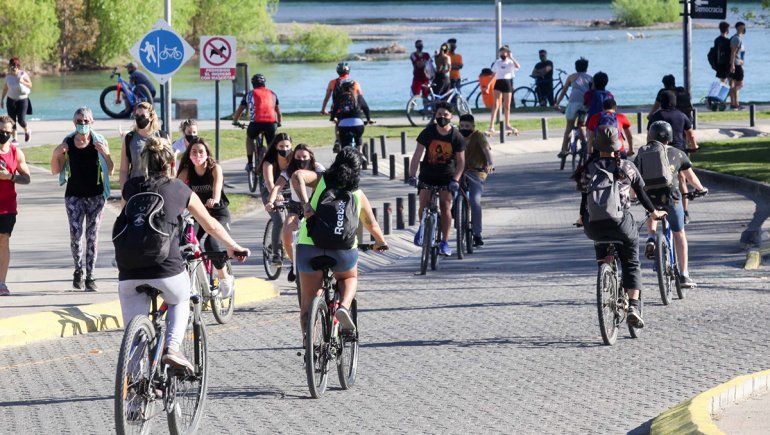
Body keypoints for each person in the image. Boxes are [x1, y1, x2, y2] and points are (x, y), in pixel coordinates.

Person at [117, 137, 248, 369]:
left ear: (145, 163)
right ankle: (173, 348)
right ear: (171, 165)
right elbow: (211, 225)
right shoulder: (178, 188)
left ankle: (134, 392)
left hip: (128, 270)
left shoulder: (131, 187)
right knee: (180, 298)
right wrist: (233, 246)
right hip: (165, 267)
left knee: (134, 341)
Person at [577, 126, 667, 328]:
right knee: (631, 261)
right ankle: (634, 305)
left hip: (594, 225)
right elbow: (642, 194)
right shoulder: (627, 167)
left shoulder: (588, 169)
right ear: (618, 146)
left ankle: (606, 271)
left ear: (595, 145)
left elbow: (585, 199)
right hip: (620, 223)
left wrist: (582, 218)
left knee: (602, 245)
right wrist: (654, 213)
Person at [290, 148, 387, 335]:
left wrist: (305, 205)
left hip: (309, 246)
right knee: (349, 277)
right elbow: (371, 224)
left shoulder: (321, 180)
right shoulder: (357, 193)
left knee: (307, 305)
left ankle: (310, 349)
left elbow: (297, 176)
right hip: (343, 250)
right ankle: (343, 306)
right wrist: (381, 242)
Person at [635, 121, 708, 289]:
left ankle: (651, 237)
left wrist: (633, 196)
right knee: (679, 233)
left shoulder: (642, 154)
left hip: (650, 197)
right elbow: (691, 177)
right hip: (671, 198)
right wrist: (701, 189)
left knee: (651, 210)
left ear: (651, 136)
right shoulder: (678, 153)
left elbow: (636, 178)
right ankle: (684, 275)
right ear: (669, 137)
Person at [50, 107, 113, 292]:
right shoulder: (68, 142)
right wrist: (56, 154)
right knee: (76, 236)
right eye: (79, 121)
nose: (83, 124)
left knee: (92, 237)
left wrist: (106, 154)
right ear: (74, 122)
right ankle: (78, 270)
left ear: (92, 122)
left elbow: (110, 170)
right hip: (74, 196)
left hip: (96, 196)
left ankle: (91, 276)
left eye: (86, 121)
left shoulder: (99, 141)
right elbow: (56, 169)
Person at [176, 138, 235, 296]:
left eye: (201, 151)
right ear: (189, 155)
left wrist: (214, 200)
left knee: (211, 242)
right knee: (185, 241)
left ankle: (224, 277)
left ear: (207, 154)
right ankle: (192, 277)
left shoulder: (214, 168)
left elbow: (217, 187)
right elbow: (176, 188)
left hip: (218, 213)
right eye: (193, 152)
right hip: (198, 214)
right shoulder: (187, 170)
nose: (197, 155)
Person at [408, 102, 466, 257]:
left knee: (445, 205)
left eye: (445, 114)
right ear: (435, 115)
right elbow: (417, 155)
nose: (442, 117)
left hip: (447, 177)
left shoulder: (456, 137)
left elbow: (461, 162)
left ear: (451, 116)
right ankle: (423, 228)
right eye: (439, 114)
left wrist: (455, 180)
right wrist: (412, 175)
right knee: (423, 202)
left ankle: (444, 242)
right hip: (428, 174)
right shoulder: (428, 132)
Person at [266, 144, 325, 280]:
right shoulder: (289, 170)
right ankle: (295, 264)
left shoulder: (318, 168)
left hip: (314, 204)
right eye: (298, 157)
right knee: (286, 234)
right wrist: (270, 201)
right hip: (295, 206)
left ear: (310, 156)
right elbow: (277, 187)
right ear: (294, 157)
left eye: (305, 156)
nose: (302, 159)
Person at [0, 115, 30, 296]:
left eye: (6, 132)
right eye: (0, 131)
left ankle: (1, 283)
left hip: (7, 206)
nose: (3, 134)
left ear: (12, 133)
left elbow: (26, 178)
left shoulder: (15, 153)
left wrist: (9, 176)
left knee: (3, 241)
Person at [232, 74, 282, 171]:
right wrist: (279, 122)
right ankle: (273, 166)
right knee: (271, 146)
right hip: (271, 124)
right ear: (264, 83)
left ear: (253, 84)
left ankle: (250, 163)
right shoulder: (272, 94)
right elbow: (278, 112)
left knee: (250, 139)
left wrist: (235, 121)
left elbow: (240, 110)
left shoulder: (249, 94)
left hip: (256, 124)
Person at [458, 114, 493, 247]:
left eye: (467, 126)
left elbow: (487, 151)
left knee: (475, 201)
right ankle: (456, 211)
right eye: (462, 126)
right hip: (459, 171)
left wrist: (490, 164)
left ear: (473, 127)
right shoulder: (456, 136)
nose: (464, 128)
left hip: (476, 172)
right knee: (449, 194)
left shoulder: (478, 136)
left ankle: (477, 234)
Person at [258, 133, 293, 265]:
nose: (285, 149)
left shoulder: (294, 159)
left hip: (290, 190)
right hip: (270, 190)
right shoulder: (269, 162)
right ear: (276, 147)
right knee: (279, 219)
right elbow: (269, 182)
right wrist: (275, 195)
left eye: (287, 146)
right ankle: (276, 254)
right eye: (281, 146)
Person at [119, 102, 168, 186]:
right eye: (137, 116)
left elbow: (168, 166)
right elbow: (124, 170)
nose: (139, 119)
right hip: (135, 186)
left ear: (151, 117)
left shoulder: (162, 136)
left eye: (143, 116)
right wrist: (124, 191)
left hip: (158, 187)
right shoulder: (129, 138)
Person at [320, 63, 363, 152]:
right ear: (348, 71)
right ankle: (360, 149)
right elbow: (360, 98)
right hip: (353, 111)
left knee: (338, 123)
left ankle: (338, 141)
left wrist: (323, 109)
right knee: (358, 128)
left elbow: (327, 97)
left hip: (338, 109)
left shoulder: (333, 82)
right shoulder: (355, 83)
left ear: (337, 71)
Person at [554, 57, 592, 159]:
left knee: (569, 128)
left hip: (573, 104)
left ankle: (563, 150)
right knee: (582, 125)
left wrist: (557, 103)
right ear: (586, 68)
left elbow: (564, 91)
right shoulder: (590, 78)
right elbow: (592, 92)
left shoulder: (571, 77)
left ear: (576, 68)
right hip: (584, 105)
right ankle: (584, 143)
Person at [486, 45, 520, 136]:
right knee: (496, 104)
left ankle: (507, 124)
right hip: (499, 83)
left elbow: (518, 66)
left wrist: (511, 57)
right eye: (501, 52)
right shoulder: (497, 62)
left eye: (504, 52)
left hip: (507, 83)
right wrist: (488, 85)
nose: (502, 54)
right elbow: (493, 74)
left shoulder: (510, 62)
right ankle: (491, 126)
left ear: (508, 53)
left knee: (507, 106)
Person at [331, 81, 373, 154]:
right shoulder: (358, 97)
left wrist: (332, 118)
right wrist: (369, 119)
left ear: (342, 89)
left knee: (344, 143)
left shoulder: (339, 98)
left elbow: (334, 110)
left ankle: (344, 152)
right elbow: (366, 108)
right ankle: (360, 152)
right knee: (358, 136)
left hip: (344, 125)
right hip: (358, 124)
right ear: (353, 88)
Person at [1, 58, 32, 142]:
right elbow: (5, 89)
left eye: (16, 66)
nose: (14, 67)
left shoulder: (23, 74)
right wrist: (2, 100)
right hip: (11, 100)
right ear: (10, 66)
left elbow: (30, 85)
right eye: (12, 66)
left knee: (21, 120)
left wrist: (22, 81)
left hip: (22, 100)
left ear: (18, 66)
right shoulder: (8, 76)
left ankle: (27, 130)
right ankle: (15, 139)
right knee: (12, 121)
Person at [729, 21, 746, 110]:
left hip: (737, 63)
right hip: (736, 64)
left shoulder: (738, 38)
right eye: (743, 27)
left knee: (734, 85)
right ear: (739, 27)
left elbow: (737, 53)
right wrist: (732, 64)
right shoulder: (736, 39)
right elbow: (733, 52)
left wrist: (741, 60)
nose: (744, 29)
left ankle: (734, 104)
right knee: (739, 85)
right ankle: (735, 104)